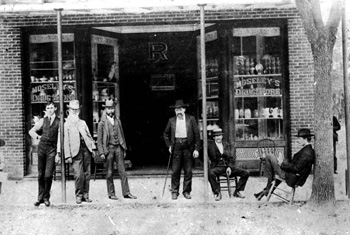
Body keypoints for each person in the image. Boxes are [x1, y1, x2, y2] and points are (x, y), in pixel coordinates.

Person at [254, 128, 315, 200]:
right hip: (293, 175)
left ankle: (268, 185)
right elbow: (296, 166)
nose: (297, 140)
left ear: (305, 139)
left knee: (269, 156)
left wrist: (282, 164)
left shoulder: (306, 153)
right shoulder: (307, 150)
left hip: (292, 177)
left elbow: (296, 168)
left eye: (299, 138)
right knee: (274, 159)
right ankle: (266, 190)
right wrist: (283, 163)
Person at [97, 99, 136, 200]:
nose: (110, 110)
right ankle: (111, 193)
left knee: (122, 171)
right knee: (109, 172)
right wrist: (101, 152)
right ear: (105, 110)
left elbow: (121, 135)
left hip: (119, 147)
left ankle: (126, 192)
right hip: (109, 149)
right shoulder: (102, 123)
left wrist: (124, 149)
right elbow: (99, 139)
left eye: (112, 108)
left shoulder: (117, 120)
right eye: (108, 108)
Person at [60, 100, 96, 204]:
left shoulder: (83, 123)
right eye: (72, 110)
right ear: (69, 110)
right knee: (79, 175)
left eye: (76, 110)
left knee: (87, 174)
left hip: (86, 150)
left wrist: (92, 148)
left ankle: (86, 195)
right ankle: (79, 195)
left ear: (79, 111)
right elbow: (65, 141)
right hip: (75, 152)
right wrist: (67, 155)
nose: (75, 112)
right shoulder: (66, 124)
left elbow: (89, 136)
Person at [163, 99, 200, 200]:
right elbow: (165, 134)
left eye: (180, 109)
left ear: (184, 109)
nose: (178, 111)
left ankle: (186, 191)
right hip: (176, 147)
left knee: (188, 171)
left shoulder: (191, 119)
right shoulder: (171, 120)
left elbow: (197, 135)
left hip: (188, 147)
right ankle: (175, 191)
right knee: (175, 170)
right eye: (176, 110)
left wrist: (196, 149)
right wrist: (169, 145)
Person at [29, 100, 60, 207]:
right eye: (48, 108)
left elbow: (60, 139)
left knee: (48, 175)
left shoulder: (59, 121)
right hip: (41, 149)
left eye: (51, 108)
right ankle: (40, 197)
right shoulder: (43, 120)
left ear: (55, 108)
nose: (50, 110)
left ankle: (46, 197)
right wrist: (38, 137)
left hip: (52, 150)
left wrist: (58, 153)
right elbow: (31, 131)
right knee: (41, 174)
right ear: (46, 110)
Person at [208, 128, 250, 201]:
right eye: (216, 136)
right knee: (210, 173)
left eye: (219, 135)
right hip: (217, 167)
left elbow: (231, 158)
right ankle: (217, 192)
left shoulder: (226, 145)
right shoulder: (209, 146)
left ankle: (238, 191)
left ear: (222, 136)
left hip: (228, 167)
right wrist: (210, 162)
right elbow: (202, 156)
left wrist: (229, 167)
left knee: (246, 173)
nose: (218, 137)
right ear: (213, 137)